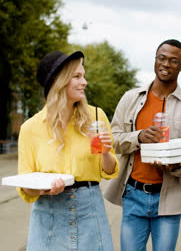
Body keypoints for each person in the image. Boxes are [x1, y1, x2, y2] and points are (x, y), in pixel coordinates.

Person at [104, 39, 181, 251]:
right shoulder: (130, 98)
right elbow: (114, 139)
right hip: (133, 194)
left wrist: (177, 167)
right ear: (155, 60)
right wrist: (138, 137)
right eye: (162, 58)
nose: (166, 64)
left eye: (173, 60)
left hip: (169, 199)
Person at [17, 50, 119, 251]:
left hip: (89, 210)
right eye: (77, 76)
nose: (85, 82)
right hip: (49, 212)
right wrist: (43, 188)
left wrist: (106, 152)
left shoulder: (96, 118)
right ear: (60, 82)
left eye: (84, 75)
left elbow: (108, 171)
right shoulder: (31, 128)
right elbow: (25, 184)